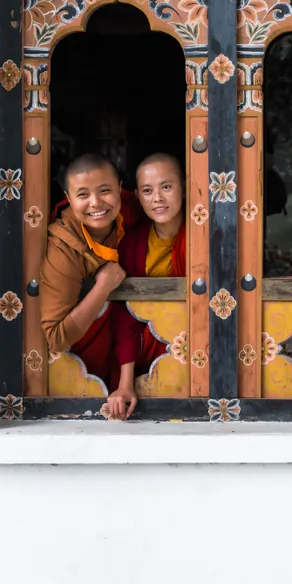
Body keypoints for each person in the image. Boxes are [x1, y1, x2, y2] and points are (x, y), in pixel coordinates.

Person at [39, 153, 157, 422]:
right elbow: (56, 337)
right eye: (83, 195)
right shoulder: (63, 248)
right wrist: (103, 287)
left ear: (120, 190)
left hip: (130, 345)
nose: (96, 204)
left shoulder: (132, 209)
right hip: (83, 368)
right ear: (68, 199)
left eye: (105, 191)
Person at [112, 153, 186, 419]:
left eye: (166, 187)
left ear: (185, 186)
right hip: (150, 353)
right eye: (147, 190)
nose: (157, 198)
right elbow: (126, 316)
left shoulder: (202, 237)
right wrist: (125, 383)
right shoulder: (132, 246)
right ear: (138, 196)